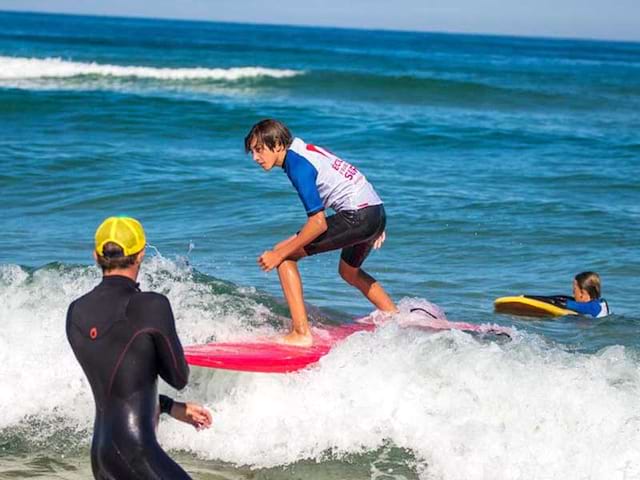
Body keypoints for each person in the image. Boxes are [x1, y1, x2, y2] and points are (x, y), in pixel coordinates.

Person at [66, 216, 212, 480]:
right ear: (141, 254)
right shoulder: (151, 305)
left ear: (96, 255)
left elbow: (118, 386)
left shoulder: (76, 311)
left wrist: (168, 406)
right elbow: (179, 377)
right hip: (136, 455)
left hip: (101, 457)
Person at [245, 119, 396, 346]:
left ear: (277, 144)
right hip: (376, 211)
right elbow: (353, 177)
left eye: (259, 150)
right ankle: (394, 317)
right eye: (252, 152)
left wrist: (279, 255)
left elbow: (318, 223)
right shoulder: (306, 150)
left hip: (358, 216)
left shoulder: (298, 165)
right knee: (349, 272)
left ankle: (301, 333)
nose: (255, 158)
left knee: (285, 256)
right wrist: (377, 223)